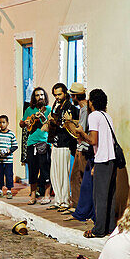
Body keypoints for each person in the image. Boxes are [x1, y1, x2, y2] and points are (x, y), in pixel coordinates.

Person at [82, 88, 121, 237]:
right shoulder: (107, 116)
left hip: (102, 160)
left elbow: (93, 140)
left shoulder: (94, 116)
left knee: (100, 197)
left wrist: (81, 133)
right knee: (110, 195)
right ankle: (110, 227)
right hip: (112, 160)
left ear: (91, 102)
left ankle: (99, 230)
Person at [45, 82, 79, 211]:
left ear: (65, 93)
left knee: (63, 173)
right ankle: (58, 200)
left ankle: (64, 200)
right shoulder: (56, 106)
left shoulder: (71, 108)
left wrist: (56, 122)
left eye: (59, 94)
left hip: (65, 144)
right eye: (55, 95)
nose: (57, 97)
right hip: (55, 143)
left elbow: (70, 127)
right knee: (54, 173)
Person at [20, 87, 51, 205]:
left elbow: (48, 124)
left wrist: (42, 117)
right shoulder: (29, 109)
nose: (40, 97)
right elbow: (21, 123)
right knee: (32, 171)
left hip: (44, 142)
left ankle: (47, 195)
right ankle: (33, 195)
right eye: (37, 95)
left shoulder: (48, 109)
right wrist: (26, 122)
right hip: (31, 143)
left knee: (45, 170)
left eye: (42, 95)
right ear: (34, 97)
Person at [67, 83, 91, 216]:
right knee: (75, 177)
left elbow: (79, 132)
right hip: (80, 148)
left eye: (72, 95)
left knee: (80, 179)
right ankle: (77, 206)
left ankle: (82, 209)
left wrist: (69, 123)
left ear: (75, 96)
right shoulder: (84, 109)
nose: (71, 97)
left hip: (84, 149)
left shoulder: (85, 109)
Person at [0, 114, 17, 198]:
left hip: (8, 160)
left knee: (9, 175)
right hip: (0, 160)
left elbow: (15, 146)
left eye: (4, 122)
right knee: (0, 175)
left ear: (7, 123)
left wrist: (9, 151)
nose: (2, 124)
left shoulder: (11, 134)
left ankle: (9, 190)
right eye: (0, 122)